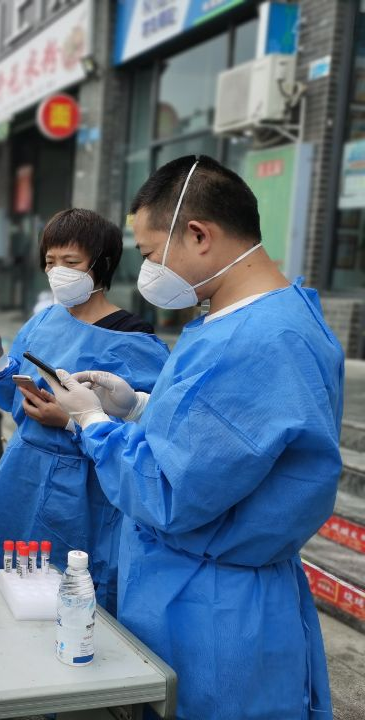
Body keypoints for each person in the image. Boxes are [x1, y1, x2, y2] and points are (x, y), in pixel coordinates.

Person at [44, 156, 344, 719]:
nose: (147, 269)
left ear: (199, 235)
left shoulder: (255, 340)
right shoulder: (258, 317)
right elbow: (227, 437)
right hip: (207, 584)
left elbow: (170, 490)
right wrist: (138, 407)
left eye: (150, 252)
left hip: (212, 606)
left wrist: (94, 424)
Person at [0, 209, 169, 613]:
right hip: (22, 477)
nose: (57, 271)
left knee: (71, 595)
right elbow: (12, 398)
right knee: (2, 584)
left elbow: (148, 433)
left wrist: (70, 422)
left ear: (102, 264)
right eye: (50, 261)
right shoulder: (44, 321)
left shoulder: (134, 340)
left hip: (85, 492)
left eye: (71, 261)